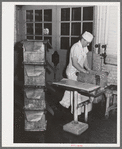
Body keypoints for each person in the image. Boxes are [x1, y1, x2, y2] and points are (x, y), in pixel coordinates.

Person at [59, 31, 94, 115]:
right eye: (88, 43)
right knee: (76, 92)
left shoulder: (84, 47)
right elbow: (75, 63)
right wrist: (84, 71)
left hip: (79, 72)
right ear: (83, 40)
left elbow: (85, 60)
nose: (88, 45)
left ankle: (68, 106)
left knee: (73, 91)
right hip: (72, 73)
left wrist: (89, 69)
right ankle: (75, 113)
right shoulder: (75, 47)